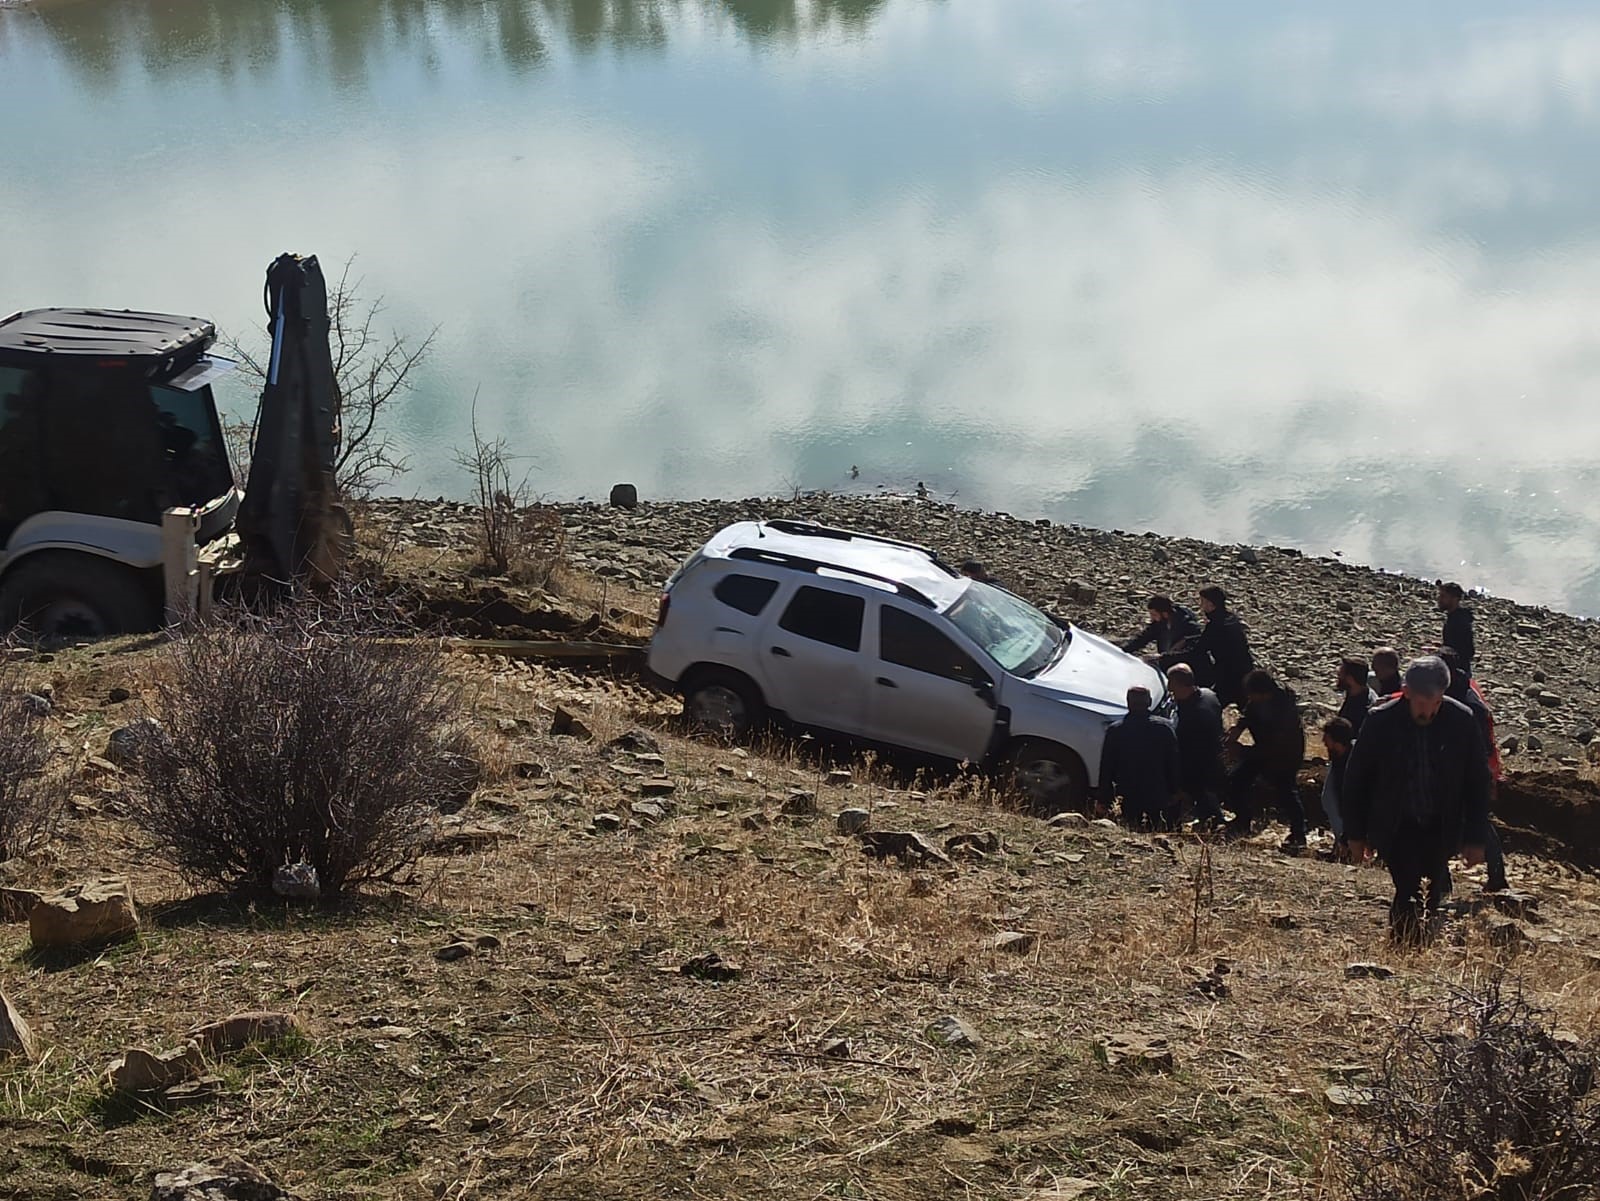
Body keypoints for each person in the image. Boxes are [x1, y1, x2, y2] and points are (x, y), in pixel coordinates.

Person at [1342, 656, 1490, 943]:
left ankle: (1420, 939)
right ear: (1407, 692)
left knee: (1434, 886)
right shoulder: (1380, 721)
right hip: (1396, 822)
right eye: (1421, 702)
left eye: (1434, 702)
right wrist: (1356, 834)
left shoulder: (1461, 721)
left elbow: (1477, 781)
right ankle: (1403, 945)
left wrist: (1475, 838)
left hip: (1441, 821)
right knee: (1407, 883)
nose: (1428, 710)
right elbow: (1355, 780)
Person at [1437, 647, 1509, 892]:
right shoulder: (1458, 690)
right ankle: (1441, 879)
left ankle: (1497, 876)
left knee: (1475, 821)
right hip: (1451, 768)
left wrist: (1485, 778)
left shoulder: (1468, 703)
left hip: (1470, 771)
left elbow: (1482, 745)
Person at [1224, 669, 1308, 853]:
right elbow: (1249, 713)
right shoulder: (1259, 700)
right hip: (1262, 748)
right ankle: (1243, 821)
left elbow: (1274, 746)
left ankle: (1299, 834)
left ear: (1263, 693)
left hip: (1285, 754)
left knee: (1286, 791)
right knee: (1236, 781)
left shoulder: (1284, 710)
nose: (1250, 698)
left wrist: (1243, 751)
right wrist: (1238, 727)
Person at [1098, 686, 1181, 829]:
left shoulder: (1116, 731)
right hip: (1158, 791)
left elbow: (1107, 767)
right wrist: (1175, 790)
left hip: (1129, 793)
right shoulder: (1164, 728)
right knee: (1159, 830)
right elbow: (1173, 763)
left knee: (1132, 830)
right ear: (1149, 702)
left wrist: (1104, 799)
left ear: (1128, 702)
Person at [1166, 663, 1226, 827]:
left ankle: (1215, 826)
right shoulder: (1209, 695)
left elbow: (1191, 749)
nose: (1170, 690)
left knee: (1202, 796)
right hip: (1214, 756)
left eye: (1172, 685)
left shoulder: (1195, 716)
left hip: (1200, 763)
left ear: (1180, 685)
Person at [1195, 586, 1255, 709]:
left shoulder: (1215, 626)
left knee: (1212, 706)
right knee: (1248, 708)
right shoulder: (1231, 618)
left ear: (1211, 605)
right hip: (1245, 670)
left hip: (1228, 676)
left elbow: (1198, 650)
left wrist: (1166, 656)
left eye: (1203, 602)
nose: (1201, 606)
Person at [1123, 595, 1204, 672]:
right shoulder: (1159, 624)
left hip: (1189, 671)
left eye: (1154, 614)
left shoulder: (1189, 627)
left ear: (1165, 614)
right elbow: (1142, 639)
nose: (1152, 618)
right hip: (1167, 667)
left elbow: (1192, 652)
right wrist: (1123, 651)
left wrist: (1162, 657)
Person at [1320, 717, 1354, 860]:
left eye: (1327, 738)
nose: (1323, 741)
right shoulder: (1338, 760)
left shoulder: (1354, 763)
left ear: (1337, 742)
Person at [1437, 582, 1475, 679]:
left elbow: (1468, 651)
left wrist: (1446, 652)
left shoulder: (1459, 622)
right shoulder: (1453, 617)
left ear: (1455, 599)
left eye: (1443, 596)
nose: (1439, 599)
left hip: (1457, 671)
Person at [1336, 656, 1377, 735]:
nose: (1338, 679)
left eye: (1340, 675)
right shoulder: (1353, 693)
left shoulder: (1364, 709)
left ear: (1350, 679)